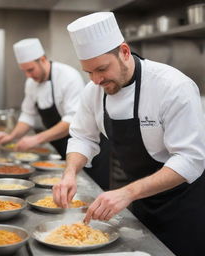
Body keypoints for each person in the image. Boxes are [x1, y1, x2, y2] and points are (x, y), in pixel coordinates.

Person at [52, 12, 205, 256]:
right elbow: (82, 137)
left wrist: (128, 192)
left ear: (124, 51)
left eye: (102, 69)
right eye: (88, 72)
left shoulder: (173, 87)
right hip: (143, 200)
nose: (97, 79)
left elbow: (190, 159)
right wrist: (70, 173)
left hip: (184, 204)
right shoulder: (93, 91)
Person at [0, 38, 85, 159]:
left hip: (81, 146)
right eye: (24, 71)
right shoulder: (31, 83)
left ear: (42, 59)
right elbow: (28, 115)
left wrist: (36, 139)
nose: (28, 75)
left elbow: (72, 120)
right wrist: (11, 136)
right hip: (56, 143)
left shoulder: (69, 77)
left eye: (30, 70)